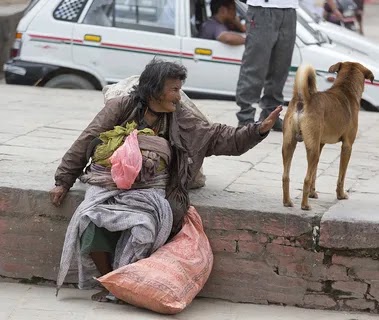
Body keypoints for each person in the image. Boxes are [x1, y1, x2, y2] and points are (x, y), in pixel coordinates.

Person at [50, 58, 282, 302]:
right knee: (92, 220)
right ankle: (112, 283)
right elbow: (87, 139)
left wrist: (258, 130)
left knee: (148, 223)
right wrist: (63, 180)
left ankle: (132, 282)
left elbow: (217, 137)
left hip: (154, 186)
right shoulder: (120, 108)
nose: (178, 96)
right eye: (174, 89)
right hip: (110, 182)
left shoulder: (180, 118)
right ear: (155, 90)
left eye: (179, 89)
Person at [235, 0, 298, 131]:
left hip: (289, 9)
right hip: (261, 8)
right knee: (255, 65)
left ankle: (271, 114)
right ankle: (245, 116)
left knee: (281, 66)